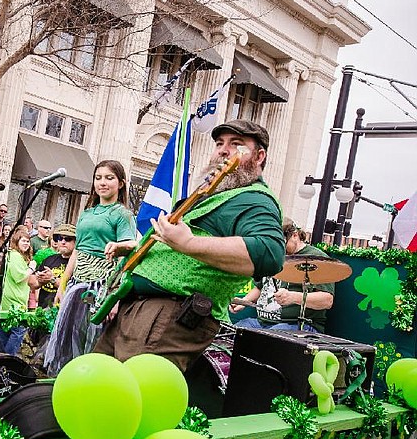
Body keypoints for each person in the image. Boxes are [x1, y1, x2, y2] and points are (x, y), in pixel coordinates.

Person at [93, 120, 286, 372]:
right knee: (100, 385)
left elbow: (269, 254)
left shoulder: (255, 200)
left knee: (131, 396)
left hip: (166, 316)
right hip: (141, 311)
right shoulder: (214, 195)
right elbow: (183, 243)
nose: (223, 151)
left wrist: (189, 243)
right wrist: (139, 247)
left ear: (259, 156)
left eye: (236, 145)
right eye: (219, 144)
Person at [44, 160, 137, 376]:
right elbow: (77, 251)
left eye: (109, 178)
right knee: (70, 338)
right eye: (98, 178)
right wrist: (62, 286)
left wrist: (115, 298)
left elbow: (132, 248)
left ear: (121, 183)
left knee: (94, 342)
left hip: (103, 285)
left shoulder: (122, 214)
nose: (102, 182)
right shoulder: (87, 213)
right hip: (78, 284)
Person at [230, 218, 334, 333]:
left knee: (266, 340)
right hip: (261, 323)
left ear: (295, 235)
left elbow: (327, 300)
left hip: (298, 326)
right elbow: (260, 287)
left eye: (281, 244)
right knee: (230, 334)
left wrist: (292, 297)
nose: (278, 249)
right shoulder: (272, 254)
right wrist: (243, 302)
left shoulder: (316, 258)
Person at [0, 228, 39, 355]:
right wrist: (31, 268)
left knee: (6, 330)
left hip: (12, 299)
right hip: (14, 301)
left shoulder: (15, 256)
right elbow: (19, 276)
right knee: (18, 330)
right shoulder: (15, 255)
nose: (26, 244)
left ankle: (1, 357)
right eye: (23, 241)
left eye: (28, 241)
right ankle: (8, 358)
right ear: (16, 241)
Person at [31, 223, 76, 308]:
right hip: (43, 310)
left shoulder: (78, 264)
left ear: (76, 242)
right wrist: (40, 280)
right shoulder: (50, 259)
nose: (63, 242)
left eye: (68, 239)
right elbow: (32, 282)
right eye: (59, 238)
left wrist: (52, 280)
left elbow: (74, 289)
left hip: (64, 311)